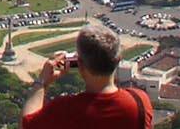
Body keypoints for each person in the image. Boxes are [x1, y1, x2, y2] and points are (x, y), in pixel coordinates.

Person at [21, 20, 152, 127]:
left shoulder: (66, 109)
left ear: (79, 64)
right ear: (118, 59)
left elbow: (27, 124)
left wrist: (41, 83)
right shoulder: (140, 101)